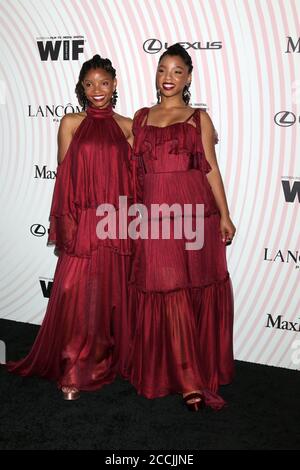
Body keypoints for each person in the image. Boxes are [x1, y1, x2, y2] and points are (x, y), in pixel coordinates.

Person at [7, 54, 133, 400]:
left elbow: (135, 180)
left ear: (115, 85)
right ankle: (74, 365)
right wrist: (68, 224)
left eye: (104, 83)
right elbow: (64, 178)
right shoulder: (70, 123)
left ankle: (105, 359)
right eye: (90, 84)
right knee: (76, 295)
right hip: (84, 222)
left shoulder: (128, 126)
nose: (97, 90)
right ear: (81, 87)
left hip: (117, 223)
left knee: (108, 296)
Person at [126, 43, 236, 411]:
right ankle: (189, 380)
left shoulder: (198, 118)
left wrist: (224, 214)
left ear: (189, 77)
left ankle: (193, 370)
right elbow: (127, 167)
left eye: (176, 71)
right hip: (155, 218)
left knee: (192, 292)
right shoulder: (140, 118)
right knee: (169, 291)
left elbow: (211, 169)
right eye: (162, 70)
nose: (168, 78)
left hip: (195, 214)